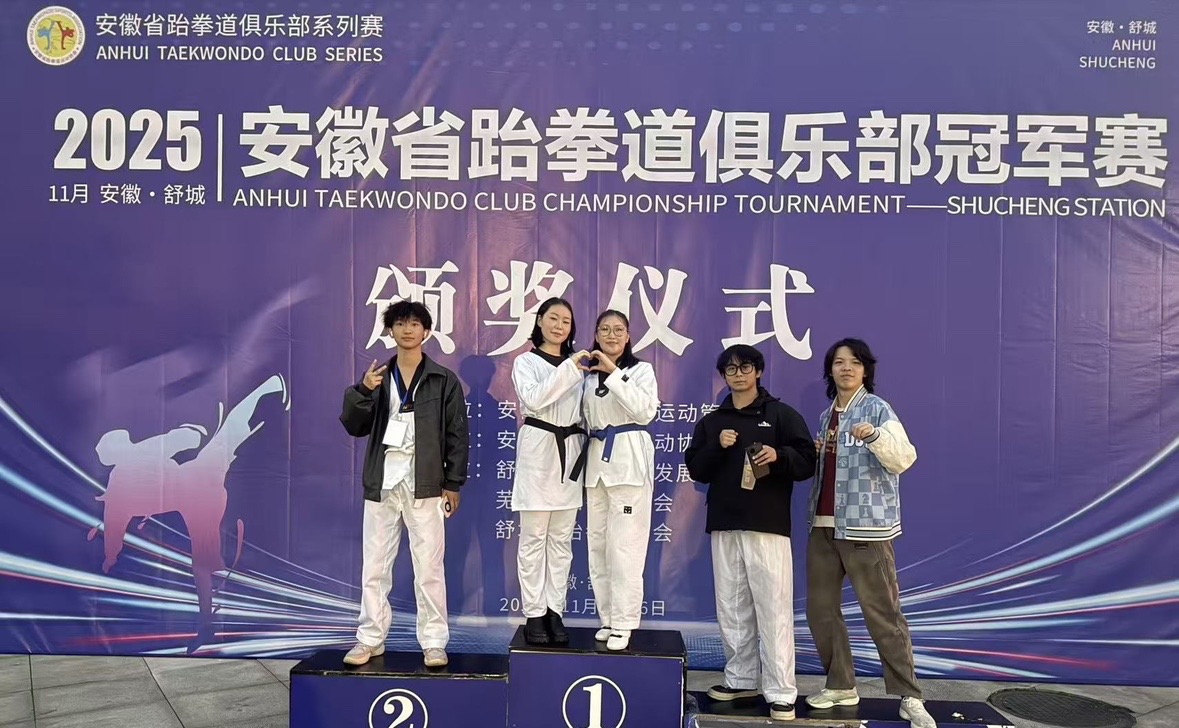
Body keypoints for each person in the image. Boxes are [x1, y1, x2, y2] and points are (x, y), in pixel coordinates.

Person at [804, 338, 934, 728]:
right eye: (839, 362)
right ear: (830, 370)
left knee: (882, 614)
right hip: (823, 525)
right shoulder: (826, 415)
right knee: (821, 610)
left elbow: (905, 458)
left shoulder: (878, 409)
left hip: (868, 530)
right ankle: (841, 684)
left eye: (855, 362)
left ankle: (910, 695)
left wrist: (875, 437)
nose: (846, 368)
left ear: (865, 370)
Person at [684, 344, 816, 722]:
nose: (738, 374)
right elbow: (696, 469)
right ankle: (741, 679)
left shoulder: (780, 415)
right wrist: (717, 446)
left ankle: (781, 691)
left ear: (758, 371)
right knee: (731, 607)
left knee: (773, 609)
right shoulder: (713, 422)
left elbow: (807, 460)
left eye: (745, 368)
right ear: (723, 376)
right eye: (730, 369)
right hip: (724, 525)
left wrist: (779, 456)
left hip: (767, 526)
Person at [339, 300, 469, 668]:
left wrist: (453, 482)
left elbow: (457, 435)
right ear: (390, 330)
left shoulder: (443, 379)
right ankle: (369, 638)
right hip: (382, 482)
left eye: (414, 324)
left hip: (426, 483)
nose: (407, 329)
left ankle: (434, 642)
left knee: (429, 568)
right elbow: (354, 426)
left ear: (427, 331)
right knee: (375, 566)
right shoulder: (378, 377)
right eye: (399, 323)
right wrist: (363, 390)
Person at [511, 297, 591, 645]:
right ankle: (534, 612)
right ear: (540, 321)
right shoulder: (525, 362)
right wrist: (570, 368)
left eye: (566, 321)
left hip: (570, 453)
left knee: (561, 541)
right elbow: (535, 399)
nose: (559, 326)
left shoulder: (581, 368)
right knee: (533, 539)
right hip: (539, 448)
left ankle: (555, 610)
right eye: (553, 318)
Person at [579, 310, 660, 652]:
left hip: (628, 462)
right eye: (604, 329)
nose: (611, 335)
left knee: (625, 547)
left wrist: (613, 372)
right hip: (596, 464)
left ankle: (625, 622)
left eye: (618, 330)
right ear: (596, 335)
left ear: (628, 336)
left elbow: (645, 411)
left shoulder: (641, 371)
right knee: (598, 546)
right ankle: (608, 618)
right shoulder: (586, 376)